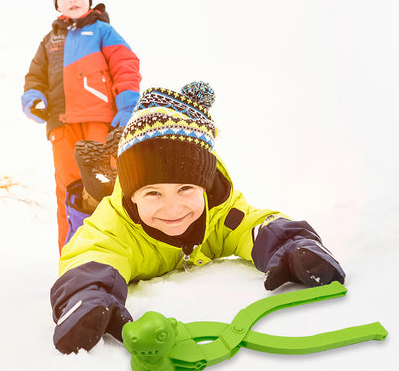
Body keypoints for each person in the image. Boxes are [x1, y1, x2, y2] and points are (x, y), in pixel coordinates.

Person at [50, 81, 346, 355]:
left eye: (186, 188)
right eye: (152, 193)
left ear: (204, 187)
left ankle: (113, 171)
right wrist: (87, 296)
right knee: (85, 215)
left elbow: (253, 225)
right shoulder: (115, 226)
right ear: (132, 196)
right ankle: (96, 183)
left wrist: (293, 245)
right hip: (107, 209)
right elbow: (91, 254)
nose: (172, 208)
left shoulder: (219, 212)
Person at [21, 0, 142, 252]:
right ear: (56, 4)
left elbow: (126, 65)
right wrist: (33, 99)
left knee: (105, 181)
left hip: (101, 121)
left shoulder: (103, 31)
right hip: (63, 126)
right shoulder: (50, 39)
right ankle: (73, 252)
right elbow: (34, 78)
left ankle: (116, 246)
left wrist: (127, 106)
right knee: (68, 188)